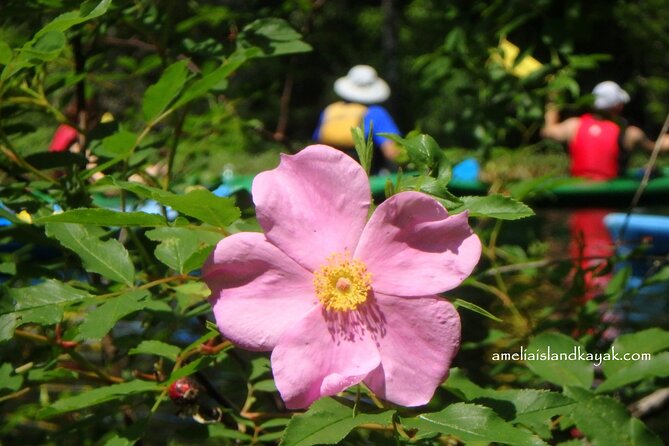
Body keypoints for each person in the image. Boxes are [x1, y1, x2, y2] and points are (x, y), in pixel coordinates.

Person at [541, 80, 669, 180]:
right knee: (652, 171)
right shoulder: (629, 134)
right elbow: (657, 148)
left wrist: (553, 101)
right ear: (618, 107)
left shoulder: (573, 125)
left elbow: (547, 131)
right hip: (611, 193)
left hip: (578, 189)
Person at [313, 65, 401, 174]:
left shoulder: (331, 110)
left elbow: (317, 143)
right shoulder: (375, 112)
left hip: (329, 172)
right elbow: (391, 152)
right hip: (364, 176)